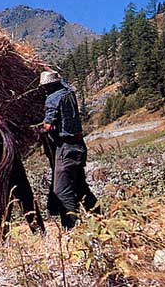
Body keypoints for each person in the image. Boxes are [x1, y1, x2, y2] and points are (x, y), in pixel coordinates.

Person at [39, 70, 97, 229]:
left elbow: (49, 126)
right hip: (78, 146)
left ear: (49, 86)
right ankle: (99, 218)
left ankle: (71, 228)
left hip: (65, 149)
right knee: (79, 185)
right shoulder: (69, 93)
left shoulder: (52, 99)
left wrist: (41, 129)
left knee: (61, 191)